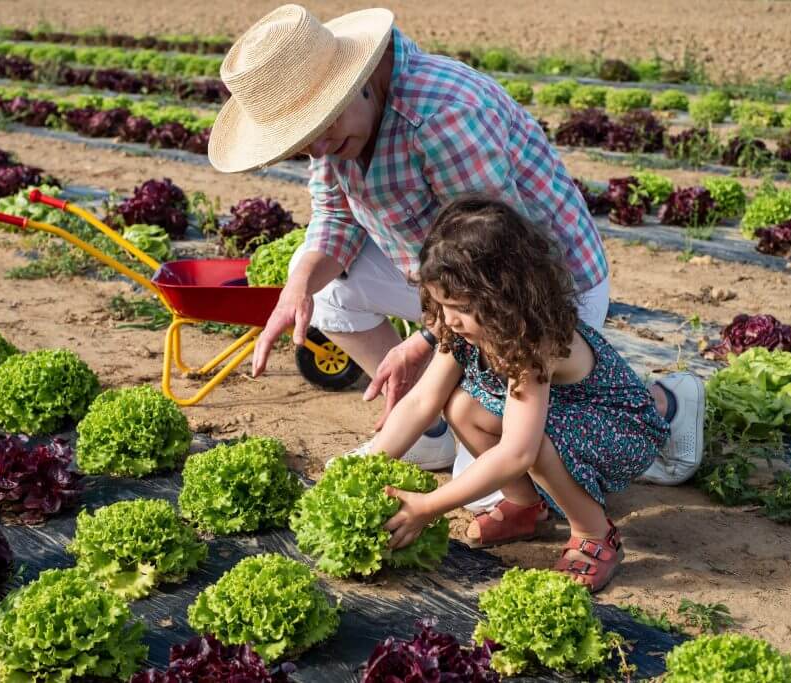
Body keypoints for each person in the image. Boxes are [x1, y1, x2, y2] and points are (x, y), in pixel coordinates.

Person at [206, 4, 703, 496]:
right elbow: (335, 218)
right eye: (302, 141)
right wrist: (298, 290)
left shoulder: (442, 116)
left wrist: (425, 340)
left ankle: (664, 405)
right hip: (447, 287)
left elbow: (500, 263)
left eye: (321, 131)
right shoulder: (340, 128)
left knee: (497, 477)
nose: (316, 151)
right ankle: (433, 427)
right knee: (327, 292)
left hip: (538, 287)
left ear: (353, 81)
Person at [371, 196, 669, 592]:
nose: (448, 318)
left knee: (535, 444)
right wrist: (369, 463)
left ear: (503, 298)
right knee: (460, 405)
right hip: (563, 417)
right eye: (441, 304)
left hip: (619, 429)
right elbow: (421, 401)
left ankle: (594, 533)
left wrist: (429, 506)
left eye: (459, 306)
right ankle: (526, 507)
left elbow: (517, 452)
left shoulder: (533, 342)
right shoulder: (458, 327)